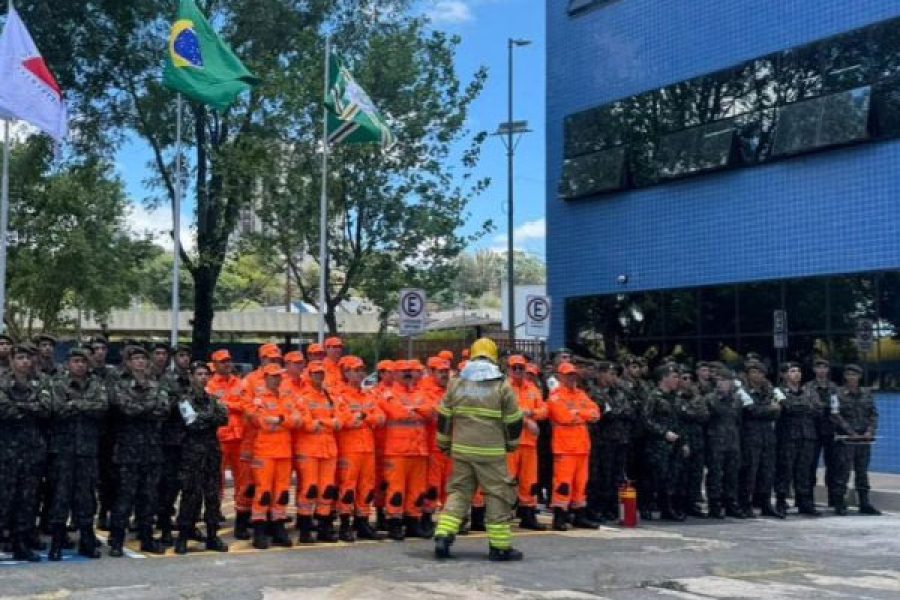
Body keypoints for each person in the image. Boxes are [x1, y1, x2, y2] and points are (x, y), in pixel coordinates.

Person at [433, 337, 524, 561]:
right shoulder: (501, 384)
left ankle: (443, 535)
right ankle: (500, 547)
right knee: (497, 494)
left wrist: (444, 443)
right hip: (491, 452)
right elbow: (514, 420)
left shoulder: (457, 382)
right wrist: (511, 444)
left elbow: (444, 417)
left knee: (459, 492)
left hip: (462, 449)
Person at [108, 346, 171, 557]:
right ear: (128, 363)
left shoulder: (157, 384)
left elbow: (164, 408)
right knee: (124, 497)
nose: (141, 362)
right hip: (127, 449)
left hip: (152, 449)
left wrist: (141, 406)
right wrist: (147, 407)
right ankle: (116, 540)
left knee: (149, 497)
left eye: (143, 359)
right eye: (136, 359)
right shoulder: (121, 384)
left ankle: (146, 538)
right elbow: (125, 408)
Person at [46, 348, 109, 561]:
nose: (80, 365)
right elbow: (55, 409)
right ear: (68, 363)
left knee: (86, 498)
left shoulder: (97, 383)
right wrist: (84, 407)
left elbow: (102, 407)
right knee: (60, 496)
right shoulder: (57, 383)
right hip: (62, 450)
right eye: (75, 361)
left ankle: (87, 540)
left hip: (87, 450)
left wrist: (75, 404)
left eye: (83, 361)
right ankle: (56, 541)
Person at [0, 343, 51, 562]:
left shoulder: (41, 382)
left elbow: (47, 408)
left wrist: (19, 406)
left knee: (28, 499)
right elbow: (3, 409)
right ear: (12, 360)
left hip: (32, 449)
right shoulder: (2, 381)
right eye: (20, 357)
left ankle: (21, 541)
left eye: (28, 358)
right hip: (7, 449)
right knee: (4, 497)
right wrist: (28, 407)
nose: (25, 362)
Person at [174, 361, 229, 554]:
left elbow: (224, 418)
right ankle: (182, 536)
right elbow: (191, 422)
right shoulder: (183, 399)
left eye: (206, 374)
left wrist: (204, 417)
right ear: (191, 376)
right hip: (192, 454)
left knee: (212, 496)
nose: (203, 377)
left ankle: (213, 536)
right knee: (190, 495)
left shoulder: (213, 399)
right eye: (199, 374)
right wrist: (209, 418)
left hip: (212, 453)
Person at [293, 360, 346, 544]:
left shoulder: (329, 396)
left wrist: (323, 422)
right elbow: (309, 424)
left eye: (321, 373)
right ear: (309, 375)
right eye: (315, 373)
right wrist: (328, 422)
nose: (319, 376)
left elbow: (341, 420)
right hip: (309, 450)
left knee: (326, 490)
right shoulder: (303, 397)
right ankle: (305, 530)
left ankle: (324, 528)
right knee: (309, 489)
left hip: (328, 450)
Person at [248, 363, 299, 549]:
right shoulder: (259, 399)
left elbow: (297, 420)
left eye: (279, 376)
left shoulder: (287, 397)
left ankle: (278, 529)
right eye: (274, 376)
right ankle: (259, 533)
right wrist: (284, 419)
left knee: (282, 492)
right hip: (265, 452)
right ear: (266, 378)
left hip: (284, 451)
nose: (277, 379)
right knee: (264, 492)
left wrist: (279, 419)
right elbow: (263, 422)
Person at [335, 356, 386, 541]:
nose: (359, 373)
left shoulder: (368, 395)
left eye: (362, 369)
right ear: (346, 372)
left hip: (367, 447)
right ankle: (344, 525)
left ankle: (362, 522)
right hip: (350, 448)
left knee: (367, 487)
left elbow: (380, 418)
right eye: (355, 370)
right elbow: (346, 420)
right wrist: (366, 417)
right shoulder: (340, 395)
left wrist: (363, 416)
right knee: (348, 487)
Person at [380, 360, 431, 541]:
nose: (407, 374)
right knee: (397, 490)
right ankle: (394, 523)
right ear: (394, 375)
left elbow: (432, 412)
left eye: (409, 371)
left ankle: (413, 522)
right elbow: (397, 413)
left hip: (418, 450)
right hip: (397, 451)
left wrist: (414, 409)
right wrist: (417, 410)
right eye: (403, 371)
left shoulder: (420, 392)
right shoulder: (388, 393)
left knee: (417, 490)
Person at [547, 362, 602, 530]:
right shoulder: (555, 396)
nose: (572, 378)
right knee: (563, 484)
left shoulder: (581, 394)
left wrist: (578, 413)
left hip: (582, 447)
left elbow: (596, 413)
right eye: (568, 375)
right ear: (560, 377)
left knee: (581, 483)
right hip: (565, 448)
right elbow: (563, 417)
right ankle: (559, 517)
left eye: (573, 375)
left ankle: (579, 515)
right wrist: (582, 414)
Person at [831, 364, 880, 516]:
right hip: (846, 439)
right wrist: (850, 432)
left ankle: (864, 503)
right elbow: (835, 415)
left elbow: (873, 414)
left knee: (862, 471)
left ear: (859, 377)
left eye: (855, 375)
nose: (852, 378)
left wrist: (870, 430)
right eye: (849, 375)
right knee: (843, 472)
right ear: (845, 376)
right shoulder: (836, 394)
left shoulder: (867, 393)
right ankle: (840, 503)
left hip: (864, 439)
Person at [206, 349, 246, 536]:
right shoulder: (209, 384)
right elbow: (212, 407)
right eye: (222, 362)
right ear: (214, 364)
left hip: (239, 438)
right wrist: (233, 404)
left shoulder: (240, 383)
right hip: (220, 438)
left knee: (242, 479)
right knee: (216, 479)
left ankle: (242, 513)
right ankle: (214, 512)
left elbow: (245, 405)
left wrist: (227, 403)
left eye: (228, 361)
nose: (226, 364)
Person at [590, 361, 636, 522]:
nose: (613, 377)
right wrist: (616, 412)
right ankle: (599, 508)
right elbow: (602, 414)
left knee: (617, 476)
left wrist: (616, 412)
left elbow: (629, 411)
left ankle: (612, 507)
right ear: (601, 374)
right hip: (603, 440)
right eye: (610, 374)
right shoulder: (594, 392)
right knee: (603, 476)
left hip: (620, 439)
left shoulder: (619, 392)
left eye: (615, 374)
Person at [506, 354, 548, 530]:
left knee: (529, 481)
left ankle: (528, 515)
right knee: (506, 480)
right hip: (510, 442)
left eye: (521, 368)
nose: (518, 371)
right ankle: (501, 514)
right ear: (508, 369)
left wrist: (530, 413)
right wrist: (523, 419)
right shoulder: (504, 389)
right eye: (514, 368)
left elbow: (544, 410)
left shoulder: (533, 389)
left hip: (529, 443)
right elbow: (502, 411)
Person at [156, 344, 193, 546]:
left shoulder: (194, 378)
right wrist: (180, 401)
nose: (184, 359)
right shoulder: (167, 381)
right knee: (168, 487)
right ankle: (165, 527)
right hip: (171, 441)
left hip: (190, 442)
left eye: (187, 355)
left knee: (190, 487)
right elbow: (164, 408)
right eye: (181, 355)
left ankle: (187, 524)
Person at [774, 362, 821, 516]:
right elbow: (787, 407)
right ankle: (781, 501)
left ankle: (804, 502)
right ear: (784, 374)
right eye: (792, 371)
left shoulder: (809, 391)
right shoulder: (778, 391)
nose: (797, 374)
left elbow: (818, 409)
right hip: (788, 436)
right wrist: (803, 408)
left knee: (804, 470)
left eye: (798, 371)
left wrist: (798, 407)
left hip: (807, 435)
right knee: (785, 470)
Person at [642, 364, 688, 521]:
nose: (677, 380)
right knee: (654, 477)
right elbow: (646, 420)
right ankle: (646, 507)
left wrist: (684, 442)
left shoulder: (675, 398)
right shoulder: (653, 397)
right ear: (664, 378)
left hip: (674, 444)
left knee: (671, 477)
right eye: (674, 376)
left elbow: (680, 422)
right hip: (657, 445)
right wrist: (663, 432)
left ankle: (667, 508)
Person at [738, 360, 782, 519]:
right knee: (750, 472)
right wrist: (769, 409)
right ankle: (745, 503)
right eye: (754, 372)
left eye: (761, 373)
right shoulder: (743, 391)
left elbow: (778, 410)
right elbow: (751, 411)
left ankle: (765, 503)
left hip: (767, 437)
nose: (757, 376)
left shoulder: (768, 391)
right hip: (750, 436)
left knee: (767, 472)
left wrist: (769, 410)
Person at [704, 369, 743, 519]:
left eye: (725, 380)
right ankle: (714, 505)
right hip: (715, 442)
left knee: (732, 474)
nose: (721, 383)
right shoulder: (710, 399)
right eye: (719, 380)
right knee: (715, 474)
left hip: (732, 442)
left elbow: (739, 420)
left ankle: (731, 503)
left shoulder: (737, 400)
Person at [674, 365, 709, 518]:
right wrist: (690, 414)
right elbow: (676, 415)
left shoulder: (697, 397)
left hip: (697, 440)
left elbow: (704, 415)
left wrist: (687, 413)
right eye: (684, 378)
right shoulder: (675, 397)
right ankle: (679, 503)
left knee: (696, 474)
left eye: (690, 379)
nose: (687, 381)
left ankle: (693, 503)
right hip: (682, 439)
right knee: (682, 474)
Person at [804, 358, 839, 506]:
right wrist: (825, 408)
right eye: (819, 367)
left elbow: (836, 409)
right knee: (810, 465)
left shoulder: (834, 387)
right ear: (814, 370)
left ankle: (833, 498)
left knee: (832, 465)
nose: (822, 370)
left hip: (830, 430)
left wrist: (825, 409)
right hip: (813, 431)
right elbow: (812, 407)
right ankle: (808, 498)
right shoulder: (808, 387)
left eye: (825, 367)